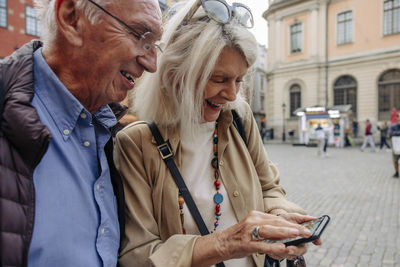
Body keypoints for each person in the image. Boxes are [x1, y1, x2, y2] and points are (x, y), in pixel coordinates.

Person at [114, 1, 320, 266]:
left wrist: (280, 212)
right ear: (177, 74)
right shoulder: (136, 143)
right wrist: (225, 244)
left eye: (239, 80)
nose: (232, 95)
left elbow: (268, 187)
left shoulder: (239, 118)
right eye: (219, 79)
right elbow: (138, 254)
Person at [0, 0, 162, 266]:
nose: (151, 63)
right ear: (71, 18)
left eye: (155, 44)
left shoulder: (109, 132)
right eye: (140, 35)